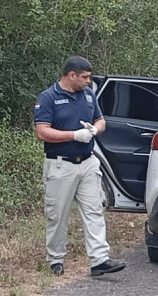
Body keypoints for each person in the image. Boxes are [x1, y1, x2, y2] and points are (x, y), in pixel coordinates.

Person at [34, 56, 125, 277]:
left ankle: (99, 259)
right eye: (84, 77)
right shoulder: (48, 98)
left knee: (94, 210)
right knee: (58, 214)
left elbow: (100, 120)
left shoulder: (88, 94)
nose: (87, 81)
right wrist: (74, 135)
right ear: (71, 75)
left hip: (87, 162)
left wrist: (94, 130)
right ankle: (56, 258)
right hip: (60, 165)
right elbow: (42, 131)